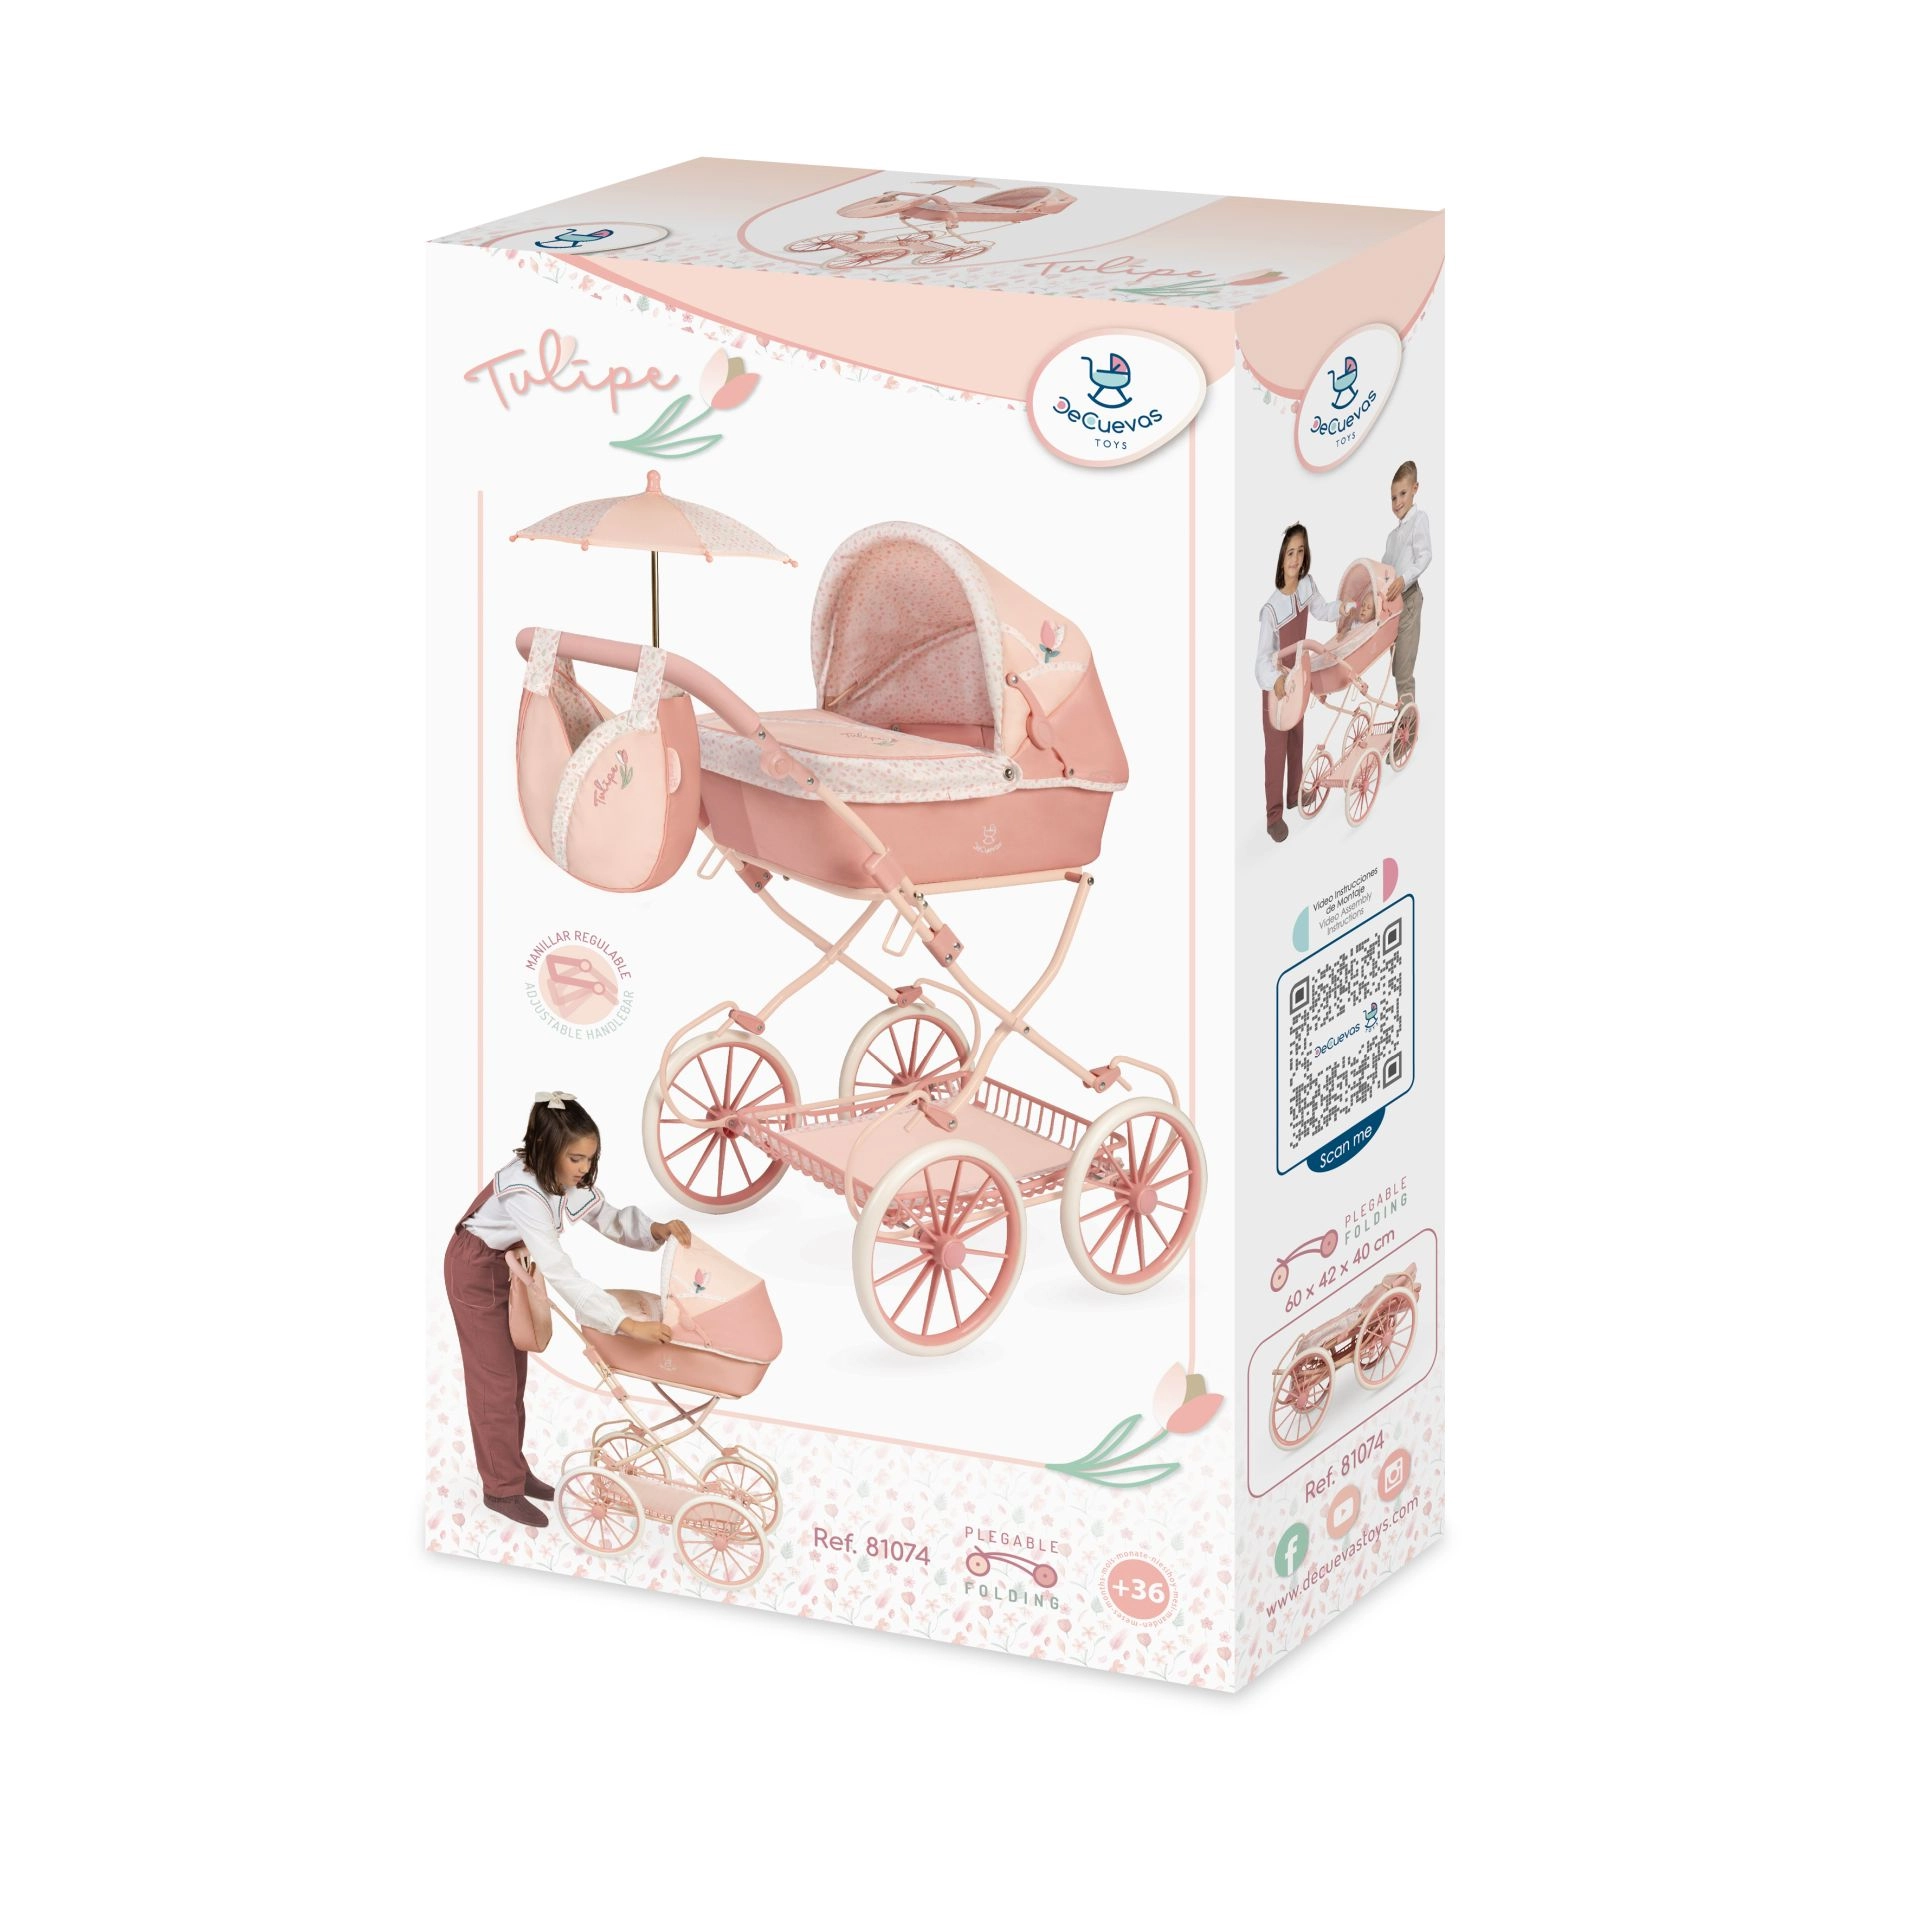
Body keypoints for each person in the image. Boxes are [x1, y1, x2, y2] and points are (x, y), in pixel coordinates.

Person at [445, 1092, 691, 1528]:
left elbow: (607, 1217)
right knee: (493, 1382)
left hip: (509, 1263)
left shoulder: (560, 1176)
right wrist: (623, 1322)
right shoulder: (525, 1192)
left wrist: (655, 1229)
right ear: (547, 1149)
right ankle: (500, 1488)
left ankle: (513, 1471)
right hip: (475, 1269)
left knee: (513, 1376)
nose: (583, 1168)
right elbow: (560, 1269)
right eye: (576, 1158)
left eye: (589, 1159)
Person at [1254, 523, 1346, 841]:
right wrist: (1275, 681)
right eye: (1290, 552)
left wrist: (1344, 607)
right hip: (1277, 689)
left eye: (1300, 551)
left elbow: (1323, 610)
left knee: (1297, 739)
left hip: (1299, 680)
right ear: (1281, 558)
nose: (1295, 559)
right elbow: (1261, 661)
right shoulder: (1271, 609)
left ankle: (1294, 795)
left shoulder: (1307, 587)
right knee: (1275, 751)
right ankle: (1273, 816)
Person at [1381, 461, 1432, 706]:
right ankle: (1403, 710)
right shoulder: (1392, 537)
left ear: (1415, 489)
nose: (1397, 502)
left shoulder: (1419, 520)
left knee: (1403, 665)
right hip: (1393, 607)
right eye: (1393, 497)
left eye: (1402, 494)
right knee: (1396, 662)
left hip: (1409, 599)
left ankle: (1408, 720)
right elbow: (1385, 568)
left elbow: (1425, 555)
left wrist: (1403, 580)